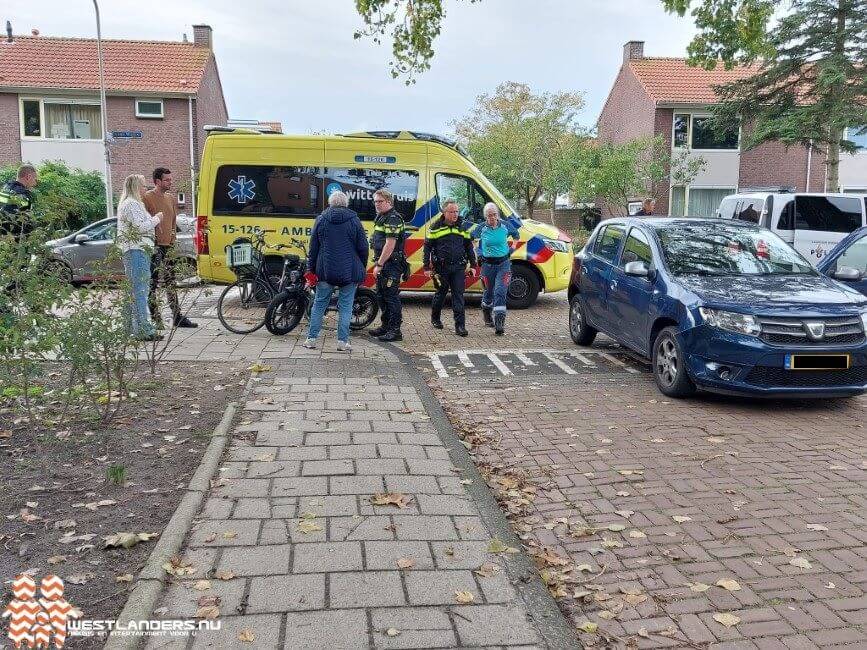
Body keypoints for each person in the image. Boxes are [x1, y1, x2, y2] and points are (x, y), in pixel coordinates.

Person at [302, 191, 369, 351]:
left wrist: (311, 269)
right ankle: (342, 342)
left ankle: (311, 339)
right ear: (346, 203)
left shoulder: (321, 219)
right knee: (346, 306)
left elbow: (314, 249)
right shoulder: (354, 220)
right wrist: (361, 266)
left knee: (319, 304)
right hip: (349, 271)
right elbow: (363, 247)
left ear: (330, 203)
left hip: (324, 271)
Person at [143, 167, 197, 329]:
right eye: (166, 180)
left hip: (169, 246)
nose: (170, 182)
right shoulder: (147, 198)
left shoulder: (171, 198)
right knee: (152, 283)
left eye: (170, 179)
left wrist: (173, 238)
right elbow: (146, 222)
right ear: (157, 181)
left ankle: (177, 317)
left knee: (170, 281)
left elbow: (173, 220)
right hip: (155, 246)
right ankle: (155, 317)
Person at [117, 174, 163, 341]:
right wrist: (157, 218)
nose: (146, 189)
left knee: (134, 290)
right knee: (140, 290)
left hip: (134, 250)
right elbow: (140, 227)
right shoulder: (132, 204)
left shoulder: (129, 204)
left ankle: (129, 327)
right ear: (136, 187)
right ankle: (143, 329)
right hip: (136, 250)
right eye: (143, 186)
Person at [423, 200, 477, 336]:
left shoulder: (462, 227)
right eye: (452, 212)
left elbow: (469, 247)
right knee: (440, 294)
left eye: (456, 211)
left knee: (458, 296)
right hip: (441, 268)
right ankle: (435, 318)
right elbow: (427, 247)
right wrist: (426, 267)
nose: (455, 214)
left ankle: (460, 326)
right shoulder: (435, 227)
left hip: (459, 267)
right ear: (444, 212)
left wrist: (473, 265)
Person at [472, 203, 520, 335]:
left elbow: (516, 235)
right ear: (485, 216)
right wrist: (478, 252)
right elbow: (473, 239)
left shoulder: (505, 225)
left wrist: (512, 249)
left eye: (494, 214)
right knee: (488, 292)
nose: (492, 217)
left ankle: (499, 322)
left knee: (500, 292)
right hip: (487, 266)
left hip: (503, 264)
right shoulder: (481, 228)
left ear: (497, 215)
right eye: (489, 215)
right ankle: (486, 311)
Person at [368, 189, 407, 342]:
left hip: (391, 264)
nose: (377, 204)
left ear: (389, 202)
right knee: (381, 295)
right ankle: (385, 326)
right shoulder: (382, 217)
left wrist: (379, 264)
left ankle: (395, 331)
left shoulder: (393, 219)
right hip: (385, 263)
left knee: (391, 297)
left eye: (380, 201)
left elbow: (390, 245)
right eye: (375, 201)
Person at [0, 164, 38, 238]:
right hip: (16, 236)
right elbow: (27, 219)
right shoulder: (23, 194)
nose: (35, 183)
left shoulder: (5, 188)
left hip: (3, 233)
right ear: (28, 177)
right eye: (35, 179)